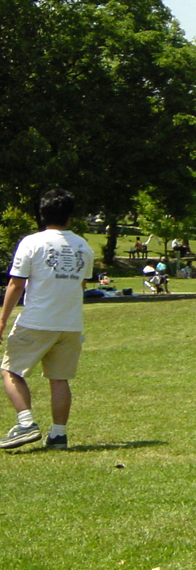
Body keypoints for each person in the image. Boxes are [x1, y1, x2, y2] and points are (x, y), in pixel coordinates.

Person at [0, 189, 93, 450]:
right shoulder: (84, 247)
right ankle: (58, 435)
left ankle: (26, 422)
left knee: (11, 370)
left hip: (37, 320)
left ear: (42, 214)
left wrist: (2, 319)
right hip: (71, 323)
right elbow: (81, 284)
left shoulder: (32, 242)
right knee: (59, 378)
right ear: (70, 216)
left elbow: (16, 284)